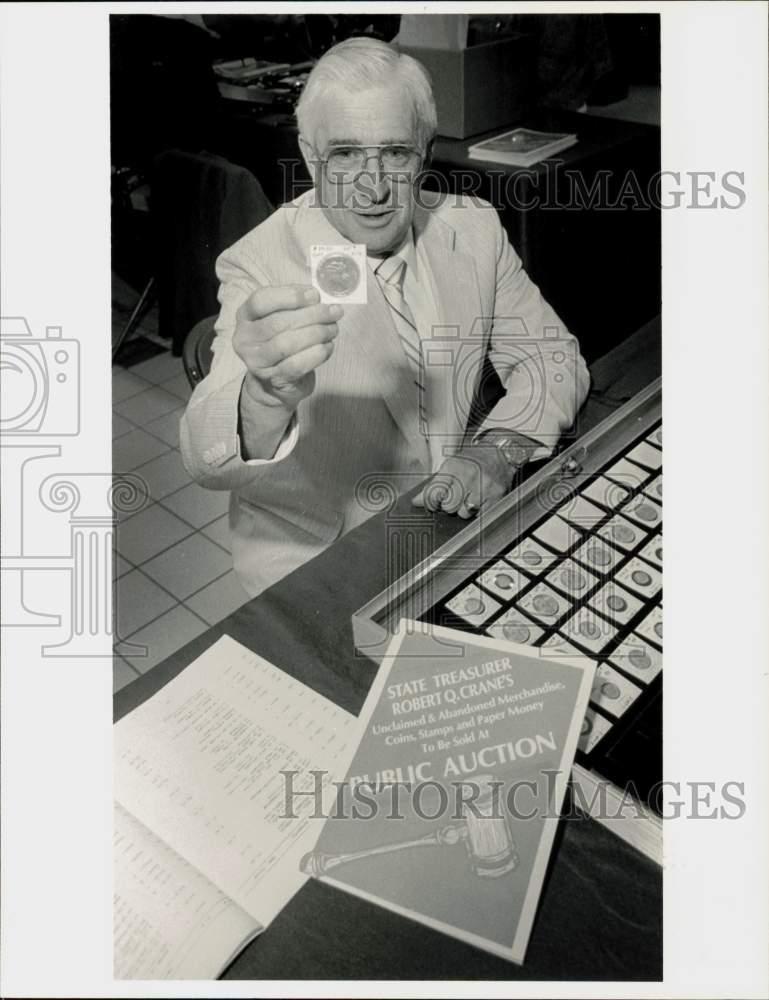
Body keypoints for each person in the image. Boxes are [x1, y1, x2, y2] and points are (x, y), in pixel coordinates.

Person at [180, 37, 590, 597]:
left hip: (446, 531)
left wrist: (498, 450)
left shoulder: (471, 228)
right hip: (316, 567)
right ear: (307, 155)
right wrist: (262, 398)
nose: (372, 187)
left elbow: (552, 355)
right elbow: (205, 460)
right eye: (345, 154)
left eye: (395, 153)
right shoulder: (260, 262)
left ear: (425, 149)